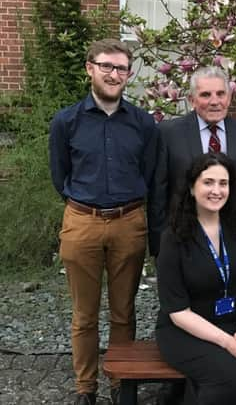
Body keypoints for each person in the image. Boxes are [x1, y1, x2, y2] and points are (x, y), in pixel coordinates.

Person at [49, 38, 159, 405]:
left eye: (121, 68)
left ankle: (119, 382)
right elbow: (59, 173)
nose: (114, 74)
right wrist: (82, 205)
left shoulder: (143, 123)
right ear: (90, 69)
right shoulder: (66, 121)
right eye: (106, 66)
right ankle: (86, 387)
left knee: (124, 311)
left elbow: (149, 172)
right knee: (84, 314)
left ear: (129, 74)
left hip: (130, 222)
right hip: (82, 222)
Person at [155, 152, 236, 405]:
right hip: (186, 330)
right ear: (192, 188)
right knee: (229, 376)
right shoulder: (173, 237)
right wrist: (227, 342)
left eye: (223, 183)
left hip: (235, 323)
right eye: (208, 182)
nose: (216, 190)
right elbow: (178, 311)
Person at [148, 66, 236, 257]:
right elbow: (158, 193)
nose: (215, 101)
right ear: (191, 100)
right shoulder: (168, 134)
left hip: (235, 239)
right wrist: (162, 245)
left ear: (229, 98)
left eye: (221, 94)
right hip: (182, 240)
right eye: (205, 95)